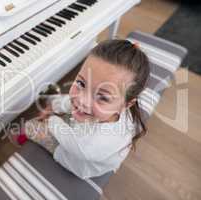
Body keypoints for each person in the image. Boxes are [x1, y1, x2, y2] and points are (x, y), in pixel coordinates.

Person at [10, 39, 150, 179]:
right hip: (81, 132)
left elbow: (72, 142)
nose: (82, 100)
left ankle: (20, 139)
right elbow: (71, 102)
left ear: (126, 104)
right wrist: (54, 105)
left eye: (102, 97)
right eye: (81, 83)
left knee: (30, 125)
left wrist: (51, 120)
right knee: (62, 104)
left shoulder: (92, 145)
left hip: (75, 160)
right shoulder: (112, 109)